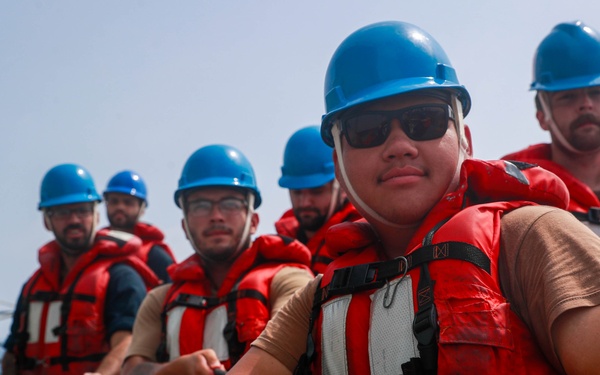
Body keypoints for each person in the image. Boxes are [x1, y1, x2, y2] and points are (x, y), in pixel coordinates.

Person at [225, 21, 600, 374]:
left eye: (425, 121)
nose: (400, 146)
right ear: (338, 165)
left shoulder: (531, 237)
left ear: (465, 140)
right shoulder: (317, 297)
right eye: (367, 130)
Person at [121, 144, 314, 375]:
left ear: (253, 221)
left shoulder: (290, 281)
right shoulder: (159, 300)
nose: (216, 216)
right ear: (184, 226)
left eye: (230, 203)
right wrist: (170, 371)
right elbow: (132, 369)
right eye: (200, 205)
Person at [1, 164, 159, 375]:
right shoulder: (31, 288)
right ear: (47, 220)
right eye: (62, 212)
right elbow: (12, 354)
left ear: (96, 215)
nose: (74, 220)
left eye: (82, 210)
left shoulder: (121, 277)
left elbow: (128, 344)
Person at [501, 21, 600, 235]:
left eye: (596, 92)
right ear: (542, 117)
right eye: (568, 96)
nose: (586, 104)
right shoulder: (514, 194)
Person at [276, 125, 361, 274]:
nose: (305, 202)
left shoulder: (364, 236)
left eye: (316, 191)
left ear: (340, 184)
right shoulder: (279, 245)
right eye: (297, 192)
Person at [103, 170, 176, 283]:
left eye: (128, 202)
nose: (120, 207)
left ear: (142, 209)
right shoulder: (92, 248)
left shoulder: (156, 256)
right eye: (114, 201)